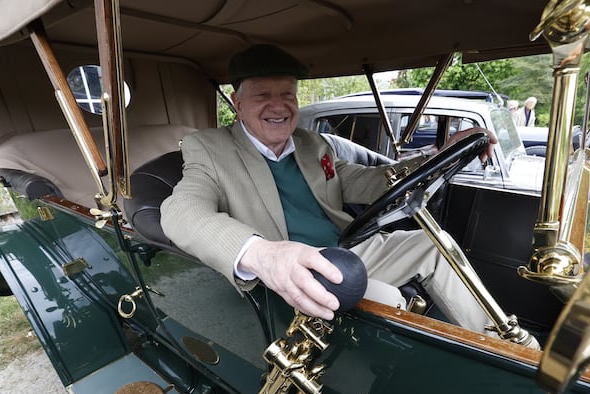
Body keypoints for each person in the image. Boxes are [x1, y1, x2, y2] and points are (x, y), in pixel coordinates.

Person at [159, 44, 496, 332]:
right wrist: (262, 254)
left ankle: (506, 348)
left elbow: (373, 182)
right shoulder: (208, 148)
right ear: (237, 103)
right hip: (295, 273)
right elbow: (182, 212)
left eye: (287, 94)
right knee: (389, 301)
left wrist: (441, 153)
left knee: (434, 243)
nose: (278, 106)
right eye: (262, 95)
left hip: (345, 250)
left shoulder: (312, 143)